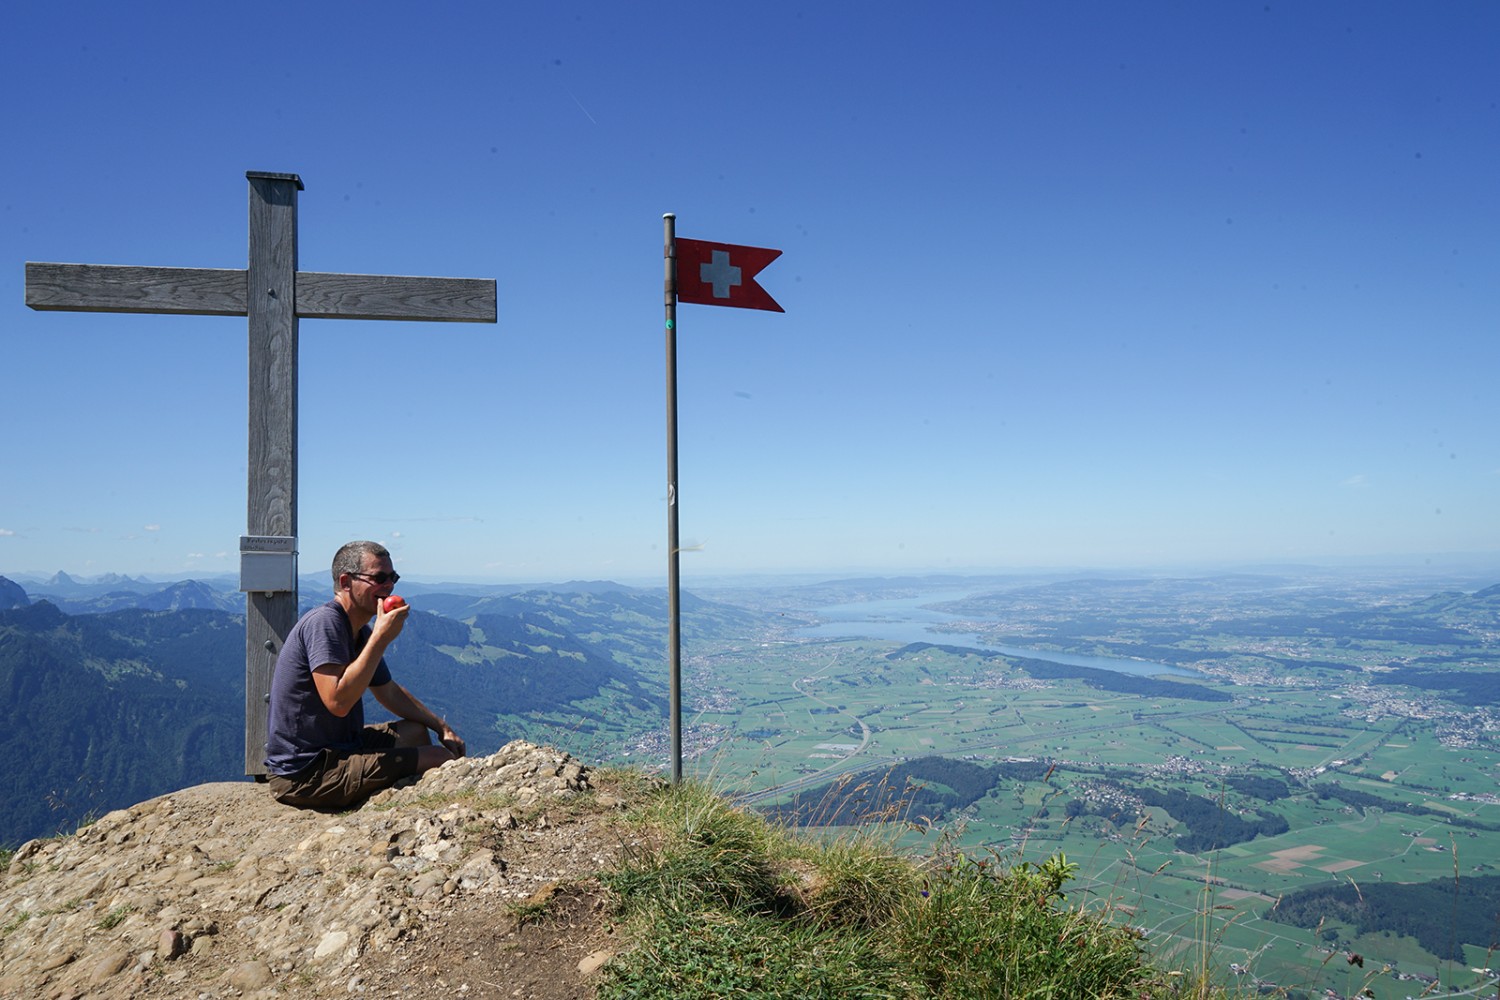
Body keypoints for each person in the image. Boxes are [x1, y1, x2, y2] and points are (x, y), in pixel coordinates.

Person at [264, 540, 465, 808]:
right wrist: (381, 638)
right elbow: (337, 702)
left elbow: (389, 692)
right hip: (306, 771)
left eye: (392, 577)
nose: (389, 586)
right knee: (439, 758)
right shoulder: (325, 624)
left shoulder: (358, 632)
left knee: (415, 731)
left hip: (343, 746)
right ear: (346, 582)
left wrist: (440, 726)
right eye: (379, 577)